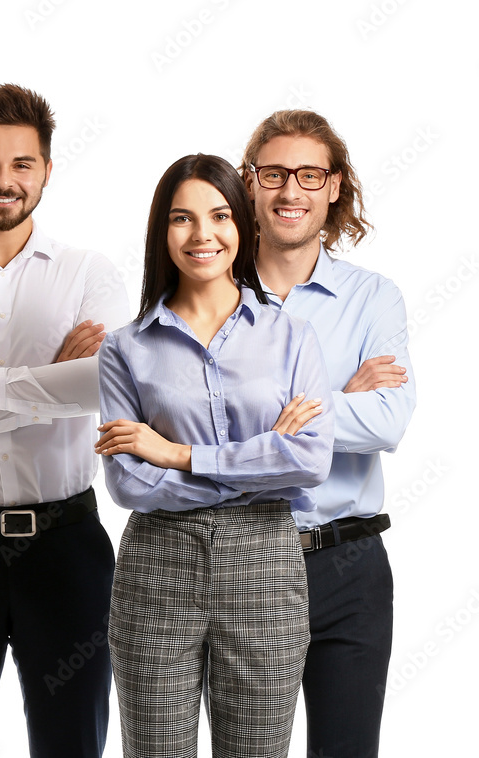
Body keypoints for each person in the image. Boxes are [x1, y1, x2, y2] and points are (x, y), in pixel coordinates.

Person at [96, 153, 335, 758]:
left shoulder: (291, 336)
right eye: (182, 218)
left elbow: (309, 462)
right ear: (161, 231)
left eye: (220, 216)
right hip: (158, 566)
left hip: (267, 565)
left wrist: (176, 453)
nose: (202, 235)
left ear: (243, 227)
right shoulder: (125, 348)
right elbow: (129, 484)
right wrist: (262, 461)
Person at [0, 83, 129, 758]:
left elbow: (101, 385)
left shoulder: (89, 273)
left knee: (74, 743)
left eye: (22, 164)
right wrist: (49, 378)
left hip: (67, 546)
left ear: (47, 170)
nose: (4, 180)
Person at [241, 110, 415, 758]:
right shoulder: (211, 293)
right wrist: (342, 400)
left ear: (335, 186)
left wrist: (270, 416)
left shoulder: (374, 298)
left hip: (353, 564)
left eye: (309, 175)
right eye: (276, 174)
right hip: (246, 558)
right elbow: (202, 426)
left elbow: (390, 422)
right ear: (250, 182)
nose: (292, 192)